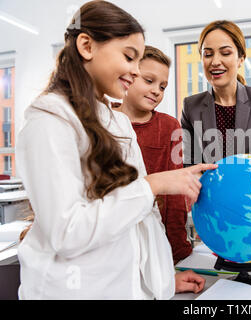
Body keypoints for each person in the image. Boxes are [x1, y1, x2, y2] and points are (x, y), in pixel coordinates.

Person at [16, 1, 217, 300]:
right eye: (129, 57)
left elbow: (138, 225)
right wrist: (154, 184)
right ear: (86, 46)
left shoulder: (117, 122)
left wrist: (163, 280)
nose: (135, 72)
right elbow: (68, 232)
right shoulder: (49, 122)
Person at [113, 46, 192, 264]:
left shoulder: (169, 126)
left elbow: (175, 194)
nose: (157, 90)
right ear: (128, 77)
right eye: (149, 81)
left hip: (157, 240)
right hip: (116, 241)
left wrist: (178, 251)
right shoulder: (102, 120)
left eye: (163, 86)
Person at [181, 20, 251, 166]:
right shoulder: (191, 107)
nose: (215, 61)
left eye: (225, 53)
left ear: (240, 59)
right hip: (209, 188)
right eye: (208, 54)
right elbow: (190, 165)